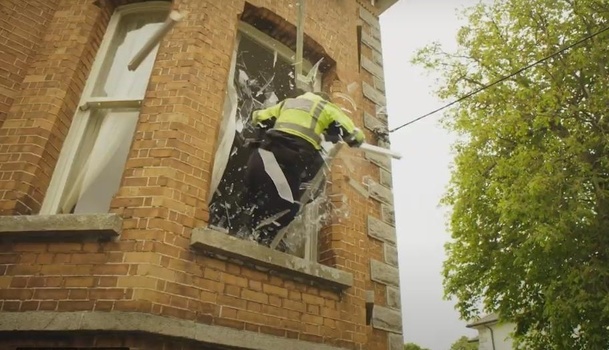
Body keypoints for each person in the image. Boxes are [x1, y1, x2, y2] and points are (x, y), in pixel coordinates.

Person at [239, 90, 365, 245]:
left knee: (257, 189)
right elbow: (354, 134)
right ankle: (267, 232)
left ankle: (247, 221)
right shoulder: (326, 106)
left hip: (272, 147)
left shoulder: (288, 103)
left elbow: (258, 117)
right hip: (298, 153)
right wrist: (351, 138)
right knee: (302, 194)